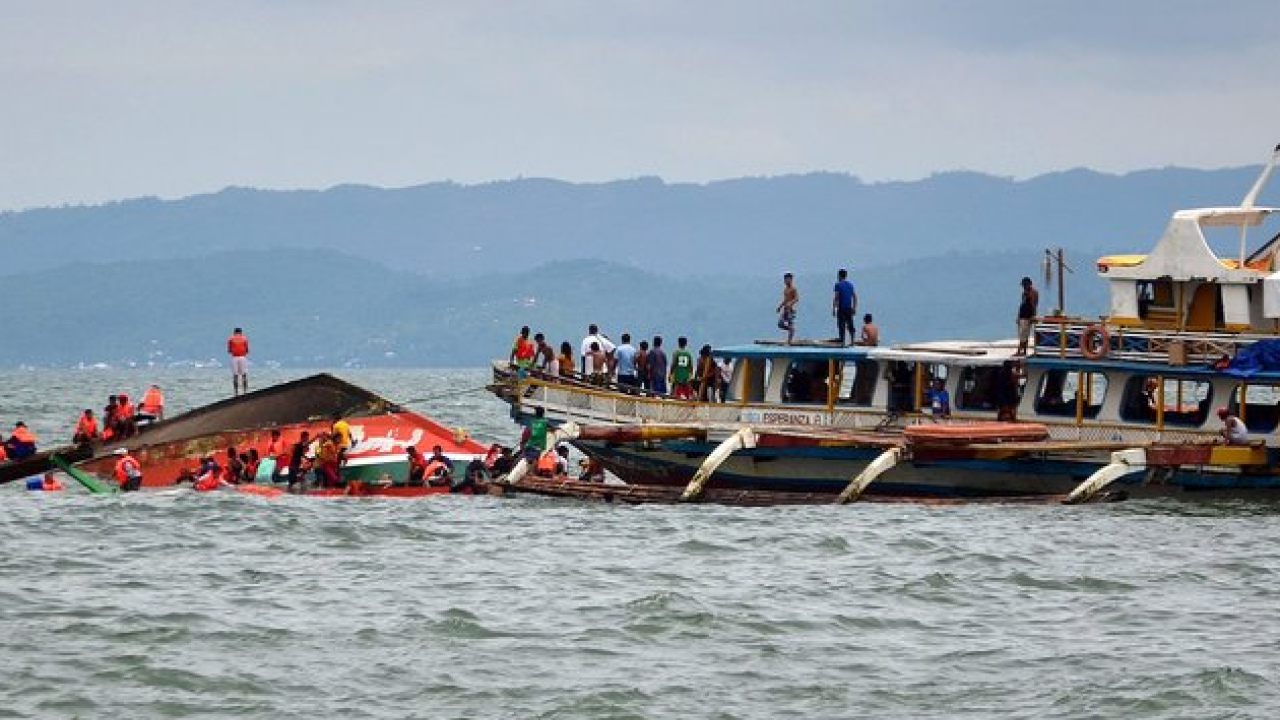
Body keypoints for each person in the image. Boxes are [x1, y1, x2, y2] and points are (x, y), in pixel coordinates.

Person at [832, 268, 858, 346]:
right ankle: (852, 342)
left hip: (841, 308)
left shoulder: (838, 284)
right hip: (849, 308)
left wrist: (834, 308)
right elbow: (855, 297)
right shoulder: (850, 285)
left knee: (841, 325)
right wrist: (854, 308)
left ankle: (843, 342)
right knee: (850, 324)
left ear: (839, 275)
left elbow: (836, 297)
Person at [1016, 277, 1039, 356]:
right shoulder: (1024, 293)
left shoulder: (1033, 292)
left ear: (1029, 284)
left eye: (1024, 285)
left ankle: (1019, 351)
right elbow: (1022, 304)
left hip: (1027, 316)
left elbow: (1034, 305)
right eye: (1023, 285)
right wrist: (1018, 316)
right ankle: (1024, 351)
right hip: (1022, 315)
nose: (1023, 287)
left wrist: (1034, 316)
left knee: (1024, 334)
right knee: (1023, 334)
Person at [777, 272, 799, 345]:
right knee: (780, 324)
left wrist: (791, 303)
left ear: (791, 280)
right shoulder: (786, 289)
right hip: (785, 310)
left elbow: (797, 298)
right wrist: (780, 306)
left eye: (788, 279)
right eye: (785, 280)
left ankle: (789, 341)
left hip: (790, 310)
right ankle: (791, 330)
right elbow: (785, 299)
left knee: (790, 323)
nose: (786, 281)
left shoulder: (793, 289)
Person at [228, 327, 251, 395]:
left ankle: (236, 392)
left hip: (234, 357)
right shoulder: (245, 338)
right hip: (242, 357)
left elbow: (229, 350)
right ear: (241, 332)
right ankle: (245, 391)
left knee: (235, 376)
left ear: (234, 332)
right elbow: (247, 350)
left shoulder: (231, 339)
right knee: (244, 375)